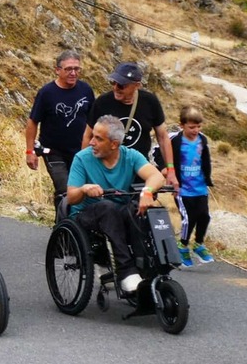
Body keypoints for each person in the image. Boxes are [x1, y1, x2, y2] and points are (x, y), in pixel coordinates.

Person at [67, 115, 166, 293]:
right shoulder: (82, 158)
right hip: (86, 216)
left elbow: (157, 176)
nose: (91, 142)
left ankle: (146, 267)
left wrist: (147, 191)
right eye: (92, 136)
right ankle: (127, 272)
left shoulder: (131, 156)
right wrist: (83, 189)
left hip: (118, 212)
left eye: (98, 138)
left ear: (114, 144)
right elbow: (71, 197)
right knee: (107, 207)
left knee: (137, 208)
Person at [82, 62, 177, 189]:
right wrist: (85, 170)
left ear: (137, 85)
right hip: (107, 171)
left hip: (139, 170)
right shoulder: (103, 102)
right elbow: (88, 136)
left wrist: (170, 170)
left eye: (121, 85)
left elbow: (163, 137)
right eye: (113, 82)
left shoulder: (150, 102)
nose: (115, 88)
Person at [25, 50, 95, 211]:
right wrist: (30, 152)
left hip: (81, 151)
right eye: (68, 69)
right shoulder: (46, 93)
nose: (73, 73)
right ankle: (62, 226)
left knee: (81, 189)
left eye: (77, 69)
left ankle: (76, 226)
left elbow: (94, 120)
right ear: (57, 70)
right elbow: (32, 122)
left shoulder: (86, 90)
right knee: (64, 188)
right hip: (53, 151)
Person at [171, 106, 215, 266]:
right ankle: (182, 246)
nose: (195, 130)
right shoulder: (176, 141)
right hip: (183, 190)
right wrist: (172, 181)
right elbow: (169, 160)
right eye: (191, 127)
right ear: (182, 125)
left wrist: (207, 178)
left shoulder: (202, 140)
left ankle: (198, 244)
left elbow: (206, 160)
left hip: (200, 187)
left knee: (204, 216)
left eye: (198, 126)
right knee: (188, 219)